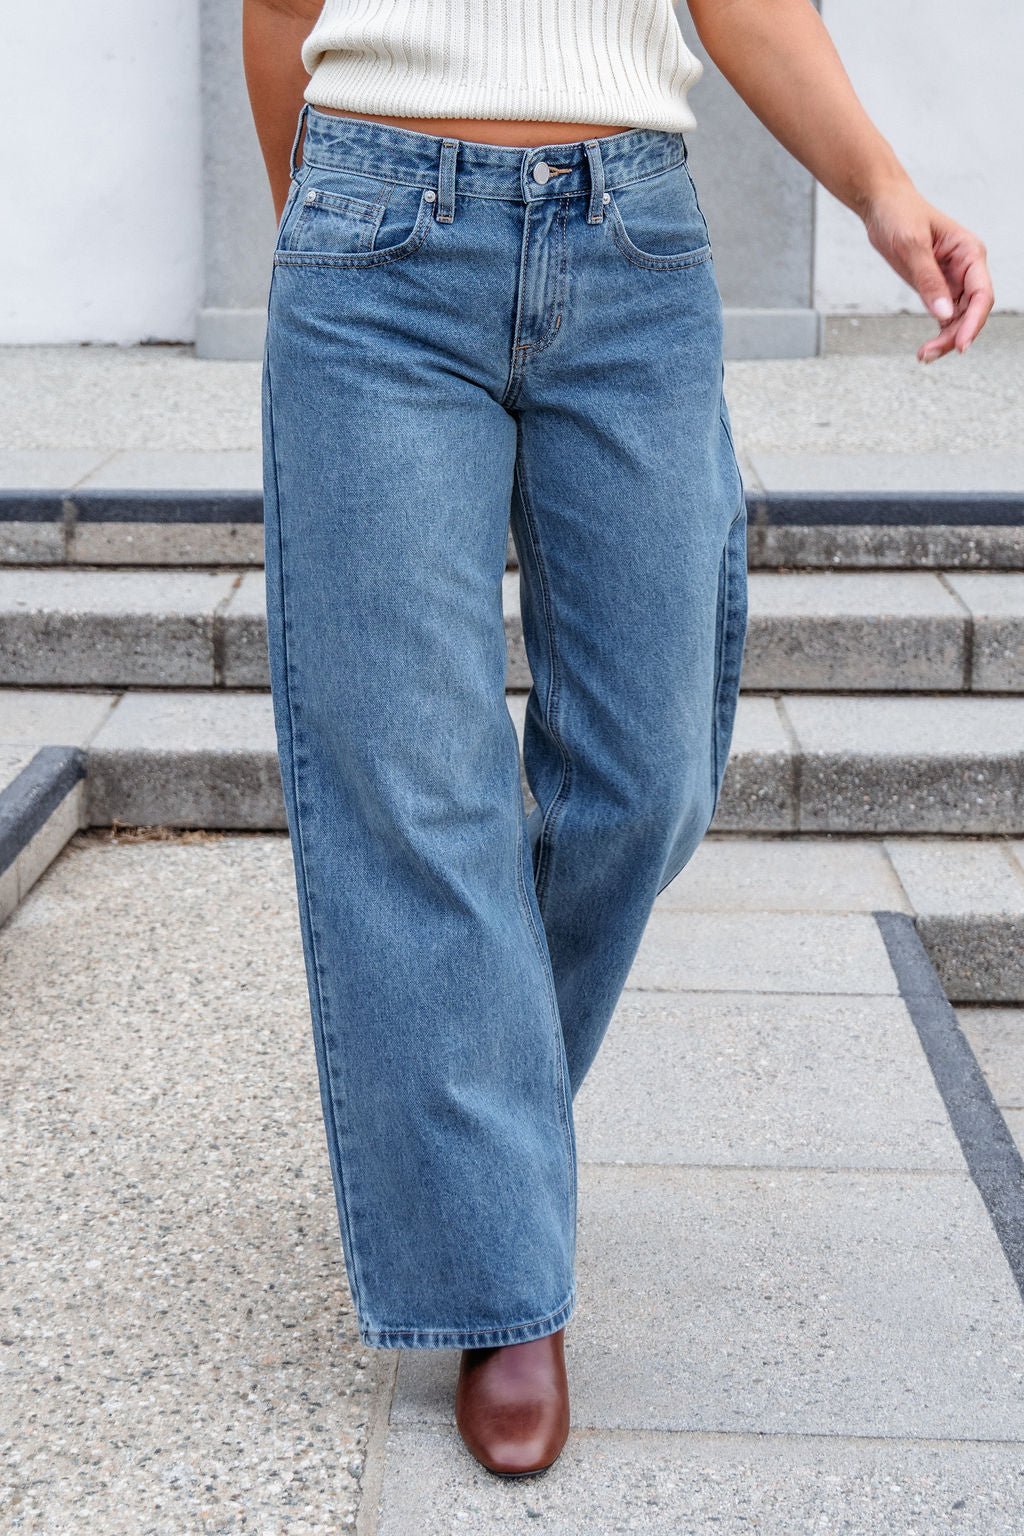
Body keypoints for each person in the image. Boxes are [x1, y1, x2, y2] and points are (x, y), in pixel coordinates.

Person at [243, 0, 993, 1480]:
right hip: (372, 232)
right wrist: (319, 239)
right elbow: (278, 11)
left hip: (633, 238)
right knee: (412, 778)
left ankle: (472, 1131)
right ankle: (502, 1288)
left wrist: (883, 190)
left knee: (648, 768)